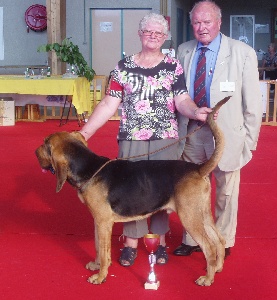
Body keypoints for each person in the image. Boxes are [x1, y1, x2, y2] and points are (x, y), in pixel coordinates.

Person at [78, 12, 213, 267]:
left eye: (158, 33)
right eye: (148, 32)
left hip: (166, 138)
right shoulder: (123, 66)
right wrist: (85, 132)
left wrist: (195, 112)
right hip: (131, 136)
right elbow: (109, 103)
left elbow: (181, 100)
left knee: (163, 190)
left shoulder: (173, 66)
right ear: (140, 34)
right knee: (129, 190)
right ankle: (130, 242)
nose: (153, 36)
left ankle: (159, 241)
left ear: (165, 37)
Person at [173, 0, 263, 258]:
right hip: (190, 132)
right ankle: (191, 238)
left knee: (226, 192)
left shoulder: (242, 52)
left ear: (219, 22)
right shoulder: (183, 50)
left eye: (207, 22)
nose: (202, 28)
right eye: (197, 23)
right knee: (189, 189)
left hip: (227, 134)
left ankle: (222, 241)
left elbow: (253, 103)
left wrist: (250, 141)